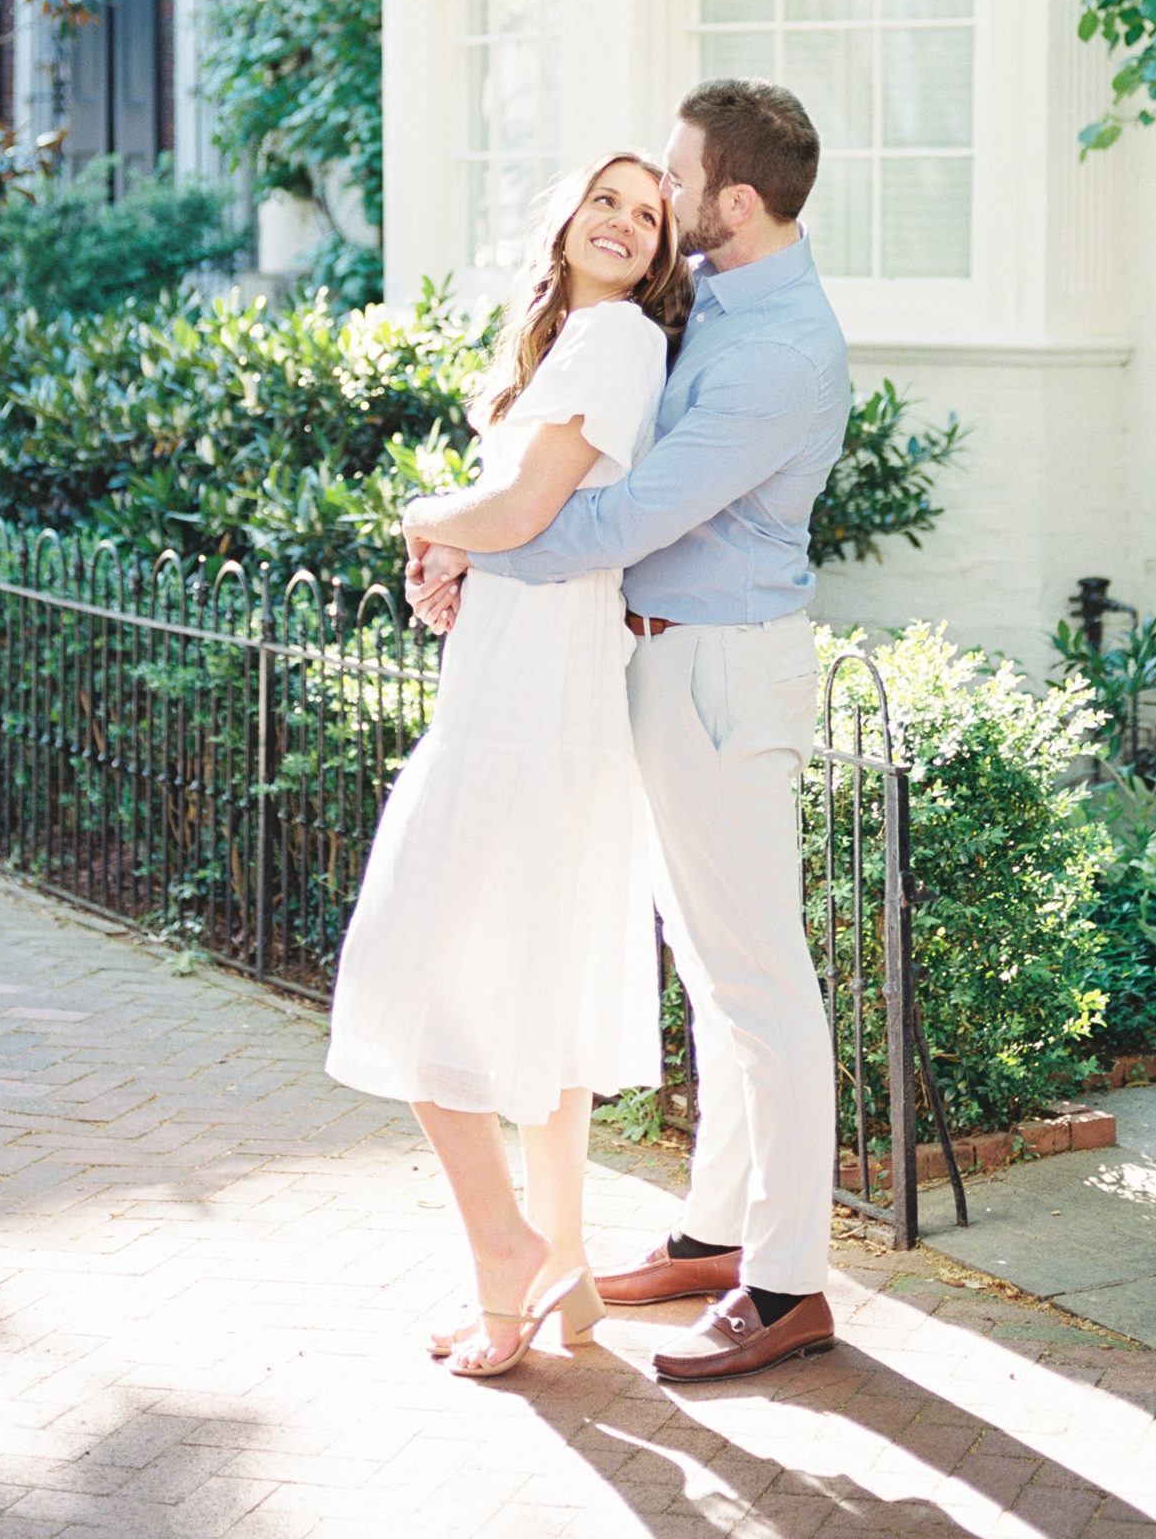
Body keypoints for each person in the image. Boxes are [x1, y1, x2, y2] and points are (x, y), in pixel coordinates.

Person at [408, 79, 852, 1385]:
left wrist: (463, 540)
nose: (657, 198)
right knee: (715, 978)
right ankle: (715, 1235)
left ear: (736, 198)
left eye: (677, 177)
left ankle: (785, 1284)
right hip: (657, 664)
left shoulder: (780, 352)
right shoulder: (718, 297)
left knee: (762, 981)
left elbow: (624, 519)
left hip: (720, 670)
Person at [325, 152, 691, 1380]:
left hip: (532, 702)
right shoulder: (561, 348)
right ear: (568, 215)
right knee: (534, 989)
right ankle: (561, 1282)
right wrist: (460, 561)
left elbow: (527, 508)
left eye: (651, 216)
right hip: (522, 673)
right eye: (610, 197)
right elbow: (520, 520)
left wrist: (427, 523)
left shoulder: (622, 344)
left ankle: (503, 1247)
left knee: (408, 962)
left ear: (659, 254)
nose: (628, 222)